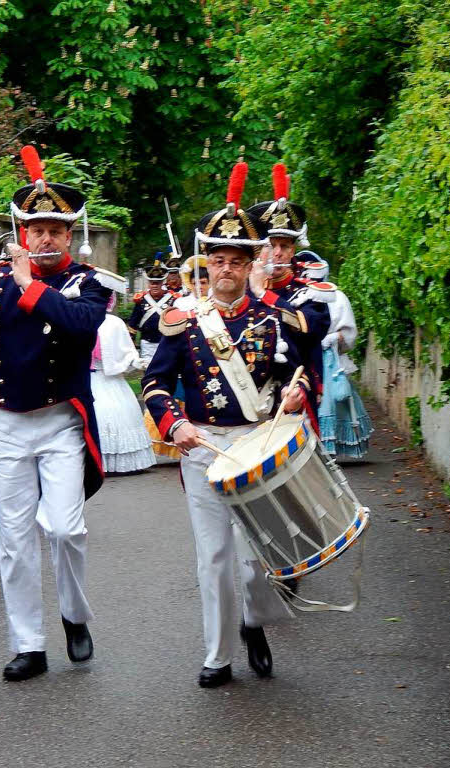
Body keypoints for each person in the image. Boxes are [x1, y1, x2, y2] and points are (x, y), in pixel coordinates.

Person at [0, 144, 125, 681]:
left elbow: (78, 327)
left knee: (68, 529)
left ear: (69, 234)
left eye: (54, 228)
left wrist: (27, 285)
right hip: (5, 421)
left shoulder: (89, 283)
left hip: (60, 423)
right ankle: (27, 642)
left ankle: (73, 615)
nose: (44, 237)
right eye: (35, 228)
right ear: (22, 231)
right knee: (18, 538)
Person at [142, 162, 309, 688]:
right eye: (219, 260)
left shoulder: (275, 318)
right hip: (204, 447)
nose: (228, 269)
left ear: (251, 262)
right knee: (213, 556)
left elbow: (294, 377)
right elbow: (155, 383)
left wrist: (297, 394)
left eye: (238, 260)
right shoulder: (184, 321)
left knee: (256, 557)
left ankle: (254, 621)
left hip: (259, 442)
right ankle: (217, 655)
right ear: (207, 264)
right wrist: (175, 426)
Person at [246, 164, 332, 432]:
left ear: (294, 249)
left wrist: (264, 293)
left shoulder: (308, 292)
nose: (278, 253)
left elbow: (311, 328)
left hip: (294, 398)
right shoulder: (239, 291)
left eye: (285, 246)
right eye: (271, 246)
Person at [300, 257, 374, 458]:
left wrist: (332, 339)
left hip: (328, 359)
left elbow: (349, 334)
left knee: (331, 400)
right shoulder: (298, 295)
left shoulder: (337, 297)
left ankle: (329, 448)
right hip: (303, 356)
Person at [92, 294, 156, 474]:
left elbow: (126, 350)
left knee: (112, 413)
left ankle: (117, 461)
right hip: (84, 379)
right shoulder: (78, 319)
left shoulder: (113, 324)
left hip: (109, 380)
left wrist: (135, 362)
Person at [127, 256, 174, 368]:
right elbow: (133, 325)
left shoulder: (172, 299)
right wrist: (131, 344)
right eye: (152, 283)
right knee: (148, 373)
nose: (154, 286)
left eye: (157, 283)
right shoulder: (141, 300)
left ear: (162, 283)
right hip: (147, 344)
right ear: (148, 283)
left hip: (166, 343)